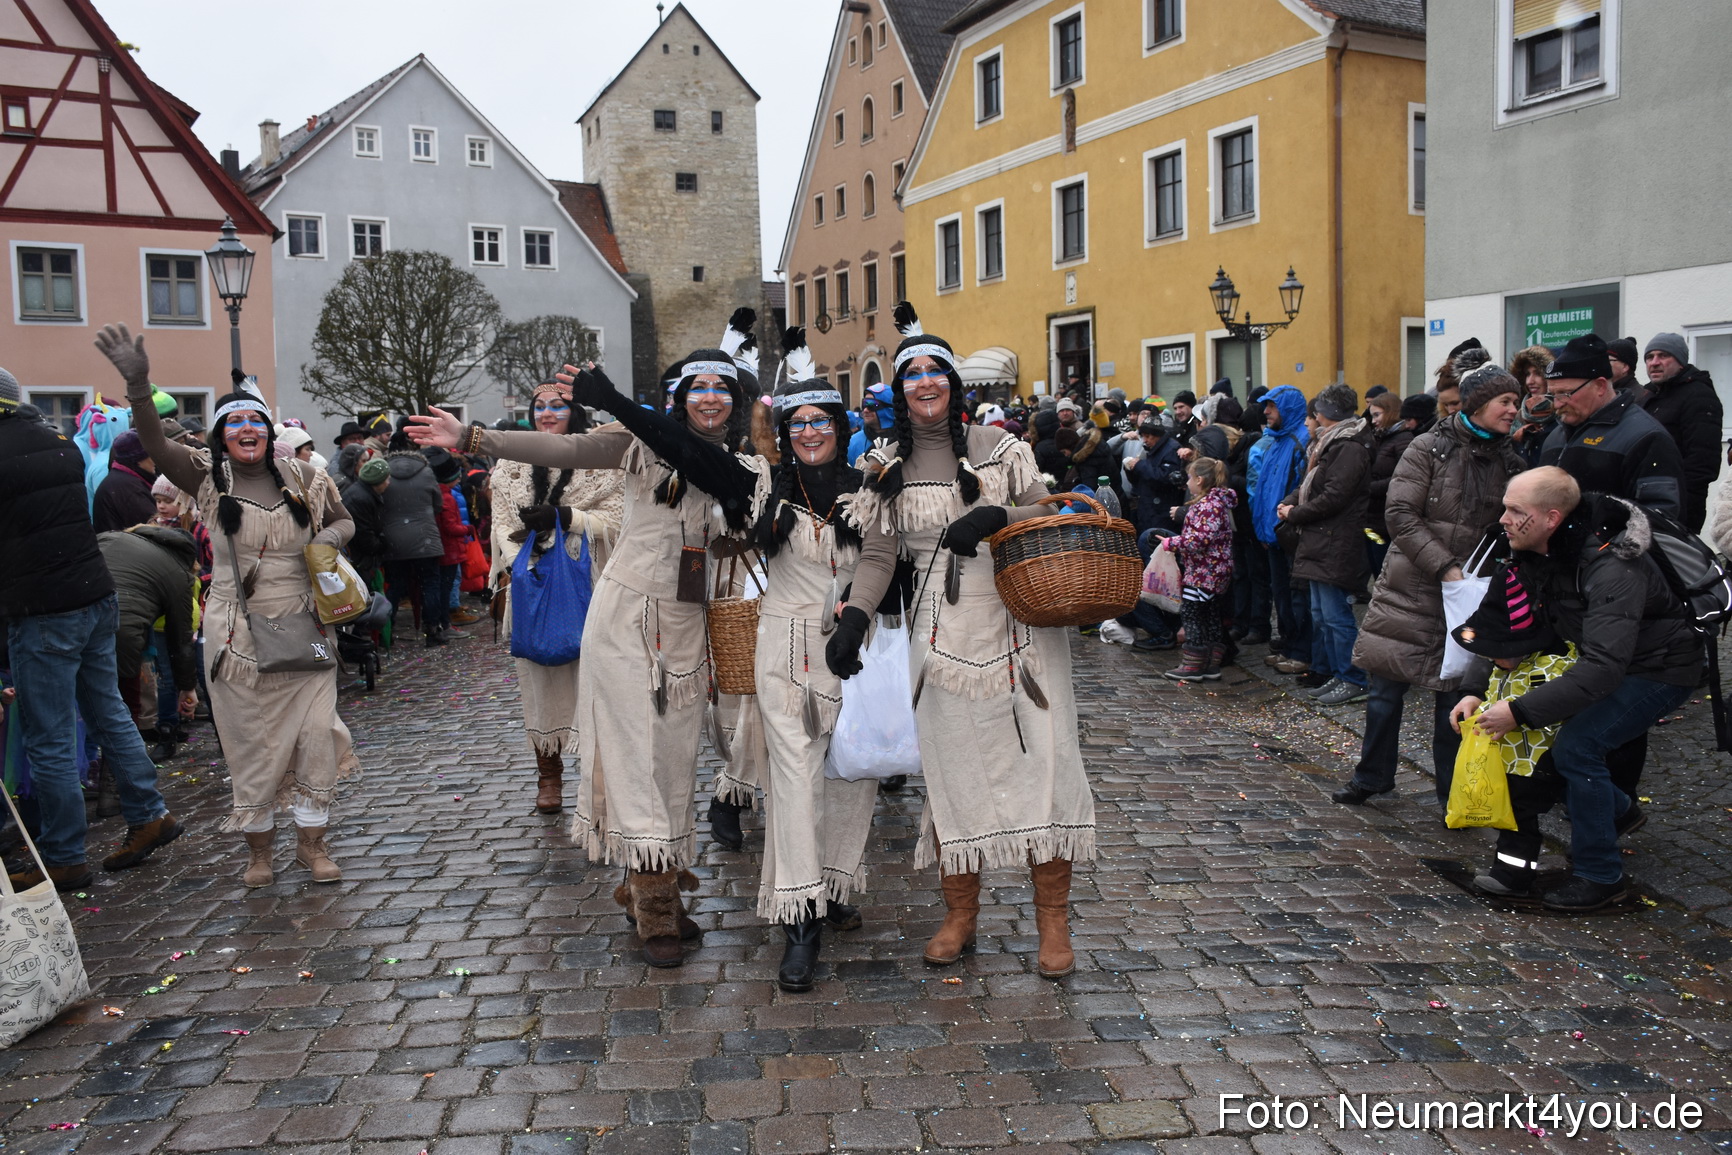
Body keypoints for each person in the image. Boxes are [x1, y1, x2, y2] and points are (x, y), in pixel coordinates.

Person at [407, 347, 770, 969]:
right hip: (626, 615)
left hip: (691, 623)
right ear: (678, 395)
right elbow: (565, 451)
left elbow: (720, 485)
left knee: (676, 760)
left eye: (722, 387)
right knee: (633, 755)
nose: (709, 396)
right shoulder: (632, 442)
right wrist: (475, 437)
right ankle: (656, 903)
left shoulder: (749, 464)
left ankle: (647, 878)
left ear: (736, 400)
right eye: (696, 386)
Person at [825, 302, 1095, 980]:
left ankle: (1053, 920)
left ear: (954, 383)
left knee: (1043, 766)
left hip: (1018, 622)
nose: (923, 382)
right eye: (910, 373)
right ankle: (960, 913)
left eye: (934, 371)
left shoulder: (1004, 449)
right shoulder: (884, 464)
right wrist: (856, 616)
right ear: (897, 390)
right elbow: (880, 554)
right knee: (952, 775)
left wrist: (996, 516)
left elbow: (1049, 511)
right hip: (935, 633)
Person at [97, 328, 360, 887]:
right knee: (252, 743)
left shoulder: (305, 477)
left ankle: (313, 845)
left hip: (305, 625)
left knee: (317, 734)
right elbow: (154, 440)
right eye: (235, 423)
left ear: (269, 431)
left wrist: (330, 541)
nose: (247, 430)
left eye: (255, 422)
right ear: (221, 436)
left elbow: (343, 518)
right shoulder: (206, 477)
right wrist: (138, 384)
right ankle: (259, 852)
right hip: (235, 635)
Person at [1451, 468, 1701, 912]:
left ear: (1550, 518)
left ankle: (1601, 876)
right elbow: (1499, 629)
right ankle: (1619, 811)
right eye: (1504, 507)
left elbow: (1605, 668)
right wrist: (1474, 691)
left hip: (1660, 668)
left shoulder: (1613, 564)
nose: (1503, 519)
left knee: (1576, 749)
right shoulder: (1530, 552)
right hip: (1607, 661)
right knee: (1560, 749)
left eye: (1515, 511)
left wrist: (1520, 711)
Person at [0, 364, 182, 892]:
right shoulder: (56, 439)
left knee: (49, 735)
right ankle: (149, 812)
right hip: (94, 593)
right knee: (107, 712)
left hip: (43, 608)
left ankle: (62, 854)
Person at [1334, 362, 1527, 807]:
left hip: (1471, 595)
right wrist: (1445, 567)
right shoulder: (1428, 447)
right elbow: (1400, 515)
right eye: (1505, 401)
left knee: (1455, 699)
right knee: (1385, 690)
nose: (1513, 410)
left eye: (1516, 402)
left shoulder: (1511, 461)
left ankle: (1450, 793)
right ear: (1479, 403)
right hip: (1413, 587)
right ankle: (1373, 776)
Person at [752, 334, 882, 991]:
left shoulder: (867, 492)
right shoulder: (768, 496)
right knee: (796, 780)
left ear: (839, 426)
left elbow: (895, 567)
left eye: (819, 421)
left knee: (851, 776)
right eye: (796, 422)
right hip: (784, 652)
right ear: (784, 432)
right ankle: (800, 919)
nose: (809, 431)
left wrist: (857, 612)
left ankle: (829, 883)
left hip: (849, 648)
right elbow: (692, 450)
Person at [489, 382, 624, 815]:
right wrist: (525, 569)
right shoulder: (510, 467)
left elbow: (619, 520)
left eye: (558, 406)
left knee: (597, 681)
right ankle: (549, 776)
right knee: (540, 680)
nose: (547, 413)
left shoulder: (600, 460)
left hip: (590, 582)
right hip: (531, 586)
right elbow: (501, 525)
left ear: (575, 413)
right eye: (540, 406)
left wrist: (568, 517)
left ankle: (597, 776)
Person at [1277, 383, 1373, 706]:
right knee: (1322, 614)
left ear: (1326, 413)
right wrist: (1289, 503)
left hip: (1335, 540)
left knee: (1336, 616)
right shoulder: (1328, 444)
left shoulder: (1349, 446)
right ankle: (1338, 674)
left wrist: (1295, 513)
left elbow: (1334, 496)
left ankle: (1353, 678)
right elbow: (1308, 484)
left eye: (1317, 410)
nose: (1313, 416)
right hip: (1320, 539)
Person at [1538, 334, 1686, 523]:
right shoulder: (1555, 436)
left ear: (1600, 386)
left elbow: (1662, 519)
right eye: (1552, 395)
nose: (1557, 404)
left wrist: (1599, 546)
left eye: (1565, 394)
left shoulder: (1646, 438)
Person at [1248, 386, 1312, 674]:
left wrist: (1286, 526)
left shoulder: (1302, 441)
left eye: (1271, 406)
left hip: (1290, 535)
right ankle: (1288, 643)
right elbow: (1264, 491)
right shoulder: (1275, 441)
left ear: (1285, 408)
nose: (1266, 412)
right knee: (1281, 595)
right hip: (1272, 535)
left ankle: (1301, 650)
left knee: (1296, 596)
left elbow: (1301, 490)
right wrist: (1264, 531)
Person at [1162, 457, 1237, 681]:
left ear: (1200, 480)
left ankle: (1194, 663)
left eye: (1189, 478)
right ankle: (1211, 663)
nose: (1186, 483)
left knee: (1192, 613)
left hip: (1205, 571)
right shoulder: (1216, 503)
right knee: (1209, 614)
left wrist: (1172, 543)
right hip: (1213, 570)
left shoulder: (1207, 506)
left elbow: (1199, 540)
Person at [1640, 332, 1723, 533]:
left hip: (1679, 507)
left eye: (1663, 356)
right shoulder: (1647, 396)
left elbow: (1703, 462)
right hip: (1645, 501)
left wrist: (1676, 501)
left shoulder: (1699, 396)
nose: (1655, 362)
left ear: (1680, 362)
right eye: (1649, 357)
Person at [380, 427, 448, 647]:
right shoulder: (426, 471)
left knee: (396, 585)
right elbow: (438, 504)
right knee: (430, 583)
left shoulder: (383, 470)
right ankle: (433, 629)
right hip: (425, 537)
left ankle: (386, 630)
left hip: (393, 538)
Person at [1363, 393, 1424, 577]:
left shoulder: (1403, 440)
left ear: (1391, 413)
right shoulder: (1381, 438)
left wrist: (1368, 488)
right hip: (1372, 520)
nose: (1373, 421)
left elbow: (1403, 478)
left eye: (1377, 415)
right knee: (1377, 572)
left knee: (1387, 574)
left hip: (1387, 521)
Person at [430, 449, 470, 639]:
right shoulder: (446, 498)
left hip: (445, 549)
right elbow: (450, 527)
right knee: (445, 588)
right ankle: (444, 623)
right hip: (449, 550)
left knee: (442, 587)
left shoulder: (441, 495)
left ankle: (441, 622)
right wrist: (467, 530)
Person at [340, 456, 391, 592]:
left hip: (362, 558)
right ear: (377, 482)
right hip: (362, 560)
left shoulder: (362, 493)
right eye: (386, 479)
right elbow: (365, 537)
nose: (388, 483)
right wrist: (383, 544)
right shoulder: (362, 499)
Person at [93, 430, 158, 534]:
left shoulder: (124, 479)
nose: (156, 460)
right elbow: (155, 530)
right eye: (150, 455)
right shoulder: (130, 489)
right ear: (138, 459)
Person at [1508, 346, 1556, 467]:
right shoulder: (1516, 416)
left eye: (1538, 373)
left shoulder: (1563, 413)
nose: (1530, 381)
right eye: (1527, 374)